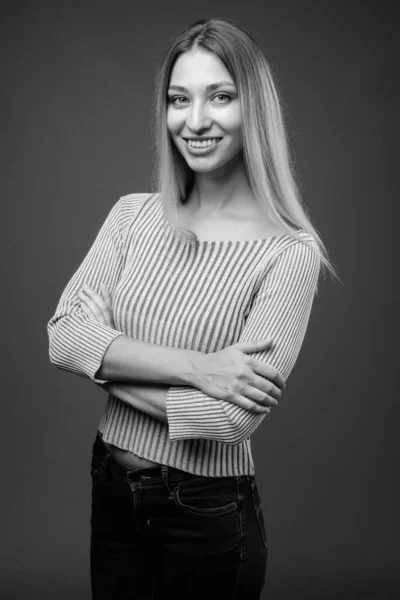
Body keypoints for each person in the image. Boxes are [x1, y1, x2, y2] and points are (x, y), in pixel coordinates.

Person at [47, 17, 336, 600]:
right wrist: (201, 369)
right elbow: (61, 336)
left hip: (205, 511)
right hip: (110, 484)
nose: (196, 121)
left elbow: (228, 422)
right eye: (180, 99)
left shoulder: (289, 253)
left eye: (220, 97)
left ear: (253, 109)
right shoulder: (132, 215)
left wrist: (106, 357)